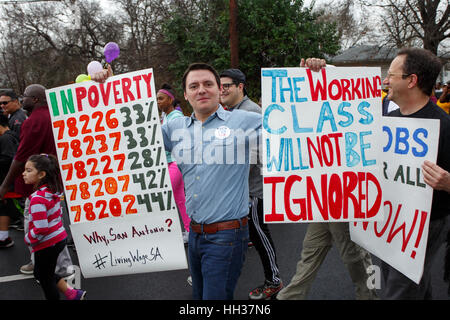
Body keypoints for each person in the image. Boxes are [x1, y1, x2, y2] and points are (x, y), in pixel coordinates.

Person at [276, 58, 378, 301]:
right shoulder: (311, 114)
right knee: (311, 250)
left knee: (356, 255)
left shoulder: (347, 110)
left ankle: (371, 294)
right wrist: (302, 76)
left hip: (343, 194)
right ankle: (291, 296)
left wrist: (324, 70)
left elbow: (342, 87)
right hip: (321, 196)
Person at [382, 48, 450, 299]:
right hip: (392, 219)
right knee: (407, 282)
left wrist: (448, 183)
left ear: (411, 81)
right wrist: (317, 71)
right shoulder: (388, 116)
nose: (385, 80)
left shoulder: (443, 126)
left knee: (398, 289)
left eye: (391, 75)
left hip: (427, 223)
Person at [219, 68, 282, 300]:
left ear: (240, 87)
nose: (222, 89)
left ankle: (274, 281)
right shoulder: (232, 112)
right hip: (240, 189)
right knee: (237, 236)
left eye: (227, 85)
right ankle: (215, 275)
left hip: (254, 190)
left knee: (259, 235)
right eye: (220, 85)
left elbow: (261, 153)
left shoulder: (251, 112)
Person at [0, 84, 74, 278]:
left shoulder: (34, 121)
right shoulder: (53, 116)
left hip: (38, 185)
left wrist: (5, 184)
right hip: (54, 182)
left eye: (25, 96)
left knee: (37, 225)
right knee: (54, 223)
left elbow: (21, 157)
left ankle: (49, 266)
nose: (22, 99)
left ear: (35, 99)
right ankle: (52, 264)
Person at [23, 154, 85, 300]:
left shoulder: (37, 199)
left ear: (42, 174)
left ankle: (69, 294)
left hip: (46, 244)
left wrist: (28, 238)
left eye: (29, 170)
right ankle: (73, 293)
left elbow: (41, 228)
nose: (23, 173)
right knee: (43, 273)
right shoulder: (53, 191)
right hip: (59, 239)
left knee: (45, 279)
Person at [157, 84, 190, 243]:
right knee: (180, 199)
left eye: (160, 98)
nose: (157, 102)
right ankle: (190, 231)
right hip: (169, 162)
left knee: (164, 194)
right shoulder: (165, 117)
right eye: (156, 99)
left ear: (170, 99)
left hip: (176, 163)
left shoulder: (177, 118)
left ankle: (163, 232)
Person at [0, 113, 19, 248]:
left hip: (9, 185)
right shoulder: (8, 136)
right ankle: (3, 238)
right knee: (3, 209)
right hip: (7, 183)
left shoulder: (6, 138)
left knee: (7, 209)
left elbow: (8, 159)